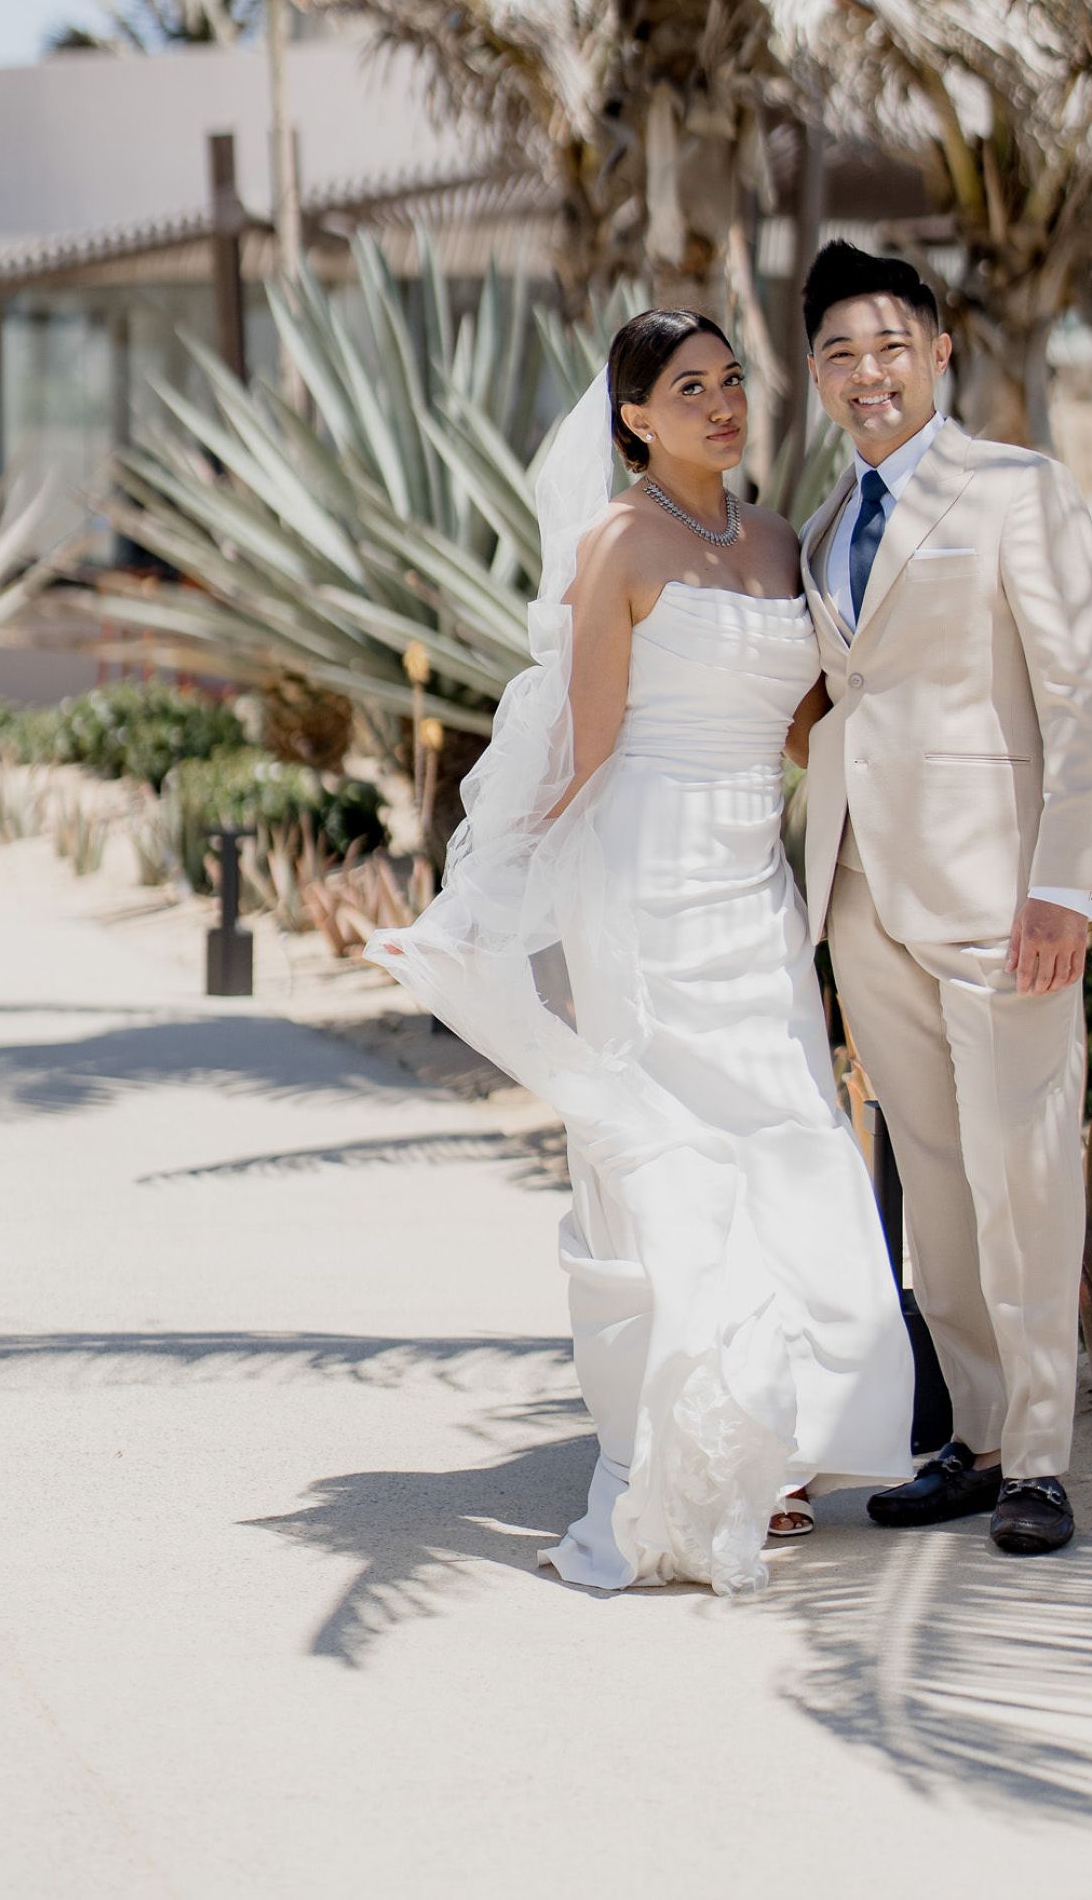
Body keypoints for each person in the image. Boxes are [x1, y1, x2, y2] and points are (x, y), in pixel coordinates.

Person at [370, 310, 912, 1596]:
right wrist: (493, 899)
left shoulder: (781, 541)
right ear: (634, 418)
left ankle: (790, 1442)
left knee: (788, 1135)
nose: (723, 404)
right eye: (690, 388)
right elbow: (586, 735)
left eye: (733, 381)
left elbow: (800, 725)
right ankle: (710, 1449)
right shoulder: (617, 543)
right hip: (648, 889)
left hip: (753, 886)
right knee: (685, 1158)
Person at [797, 241, 1092, 1558]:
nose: (866, 371)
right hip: (864, 897)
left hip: (1006, 896)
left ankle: (1045, 1460)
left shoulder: (1017, 488)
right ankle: (977, 1437)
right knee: (937, 1183)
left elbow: (1083, 693)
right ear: (818, 375)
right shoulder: (828, 525)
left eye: (890, 344)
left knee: (1022, 1173)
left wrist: (1064, 884)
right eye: (839, 352)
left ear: (940, 352)